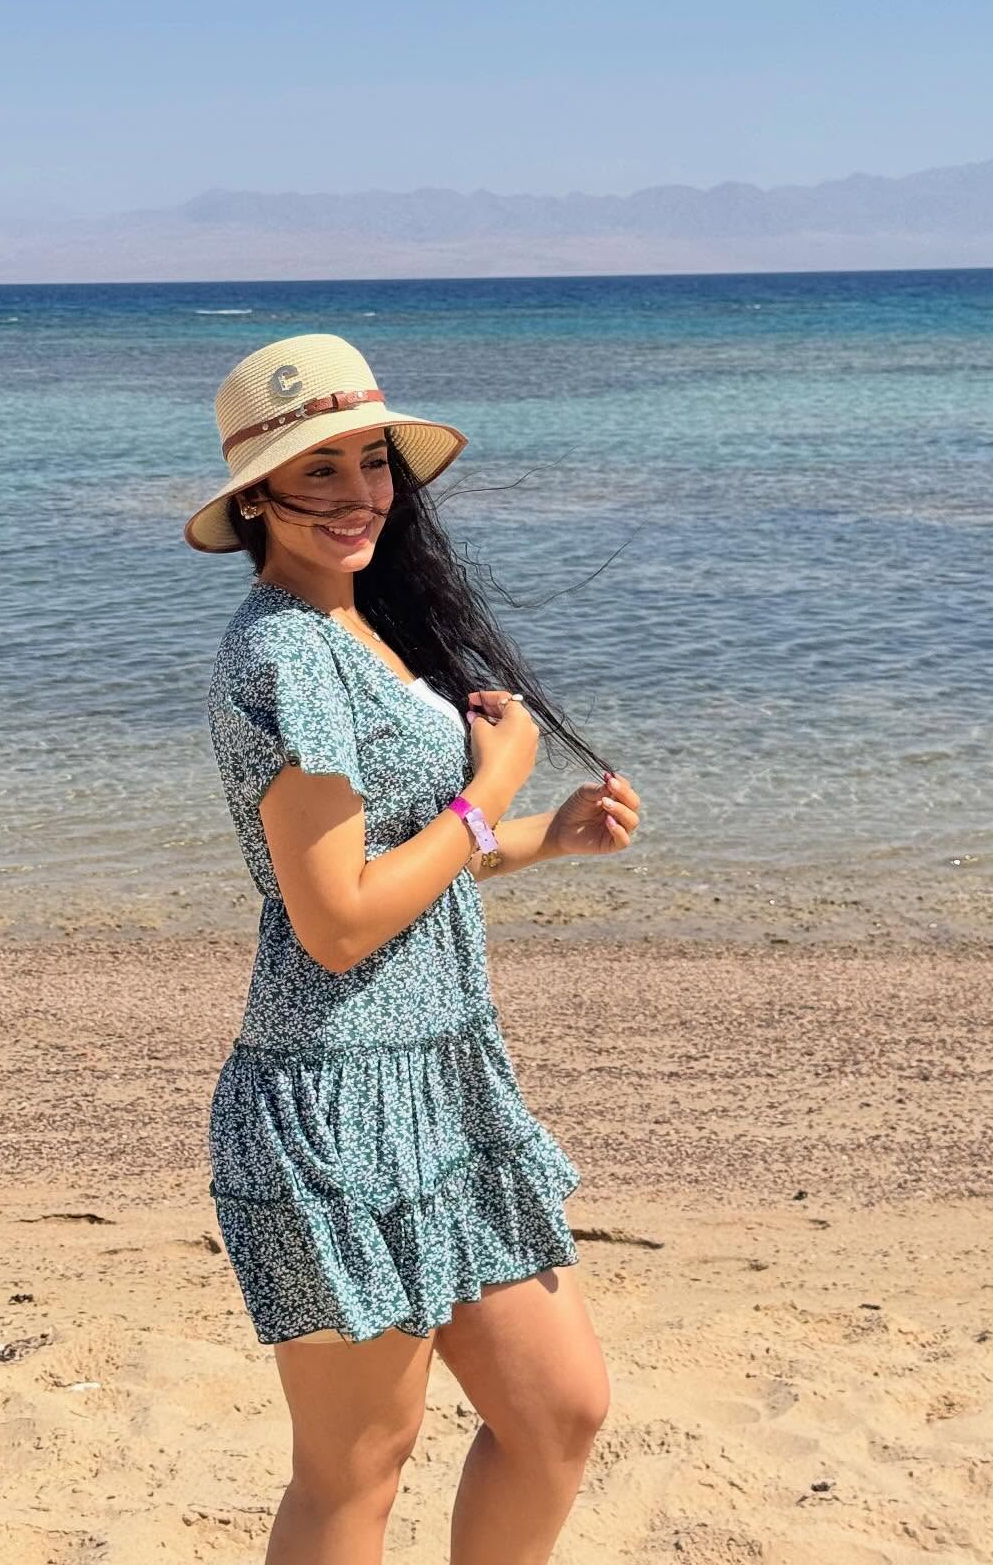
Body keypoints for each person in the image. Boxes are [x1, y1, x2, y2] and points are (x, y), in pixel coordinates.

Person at [184, 332, 641, 1565]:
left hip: (444, 1080)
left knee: (559, 1410)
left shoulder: (363, 628)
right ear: (256, 498)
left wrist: (542, 837)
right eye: (317, 470)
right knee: (356, 1472)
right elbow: (335, 924)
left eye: (372, 462)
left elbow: (402, 864)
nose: (358, 495)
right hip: (333, 1098)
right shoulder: (284, 652)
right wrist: (491, 789)